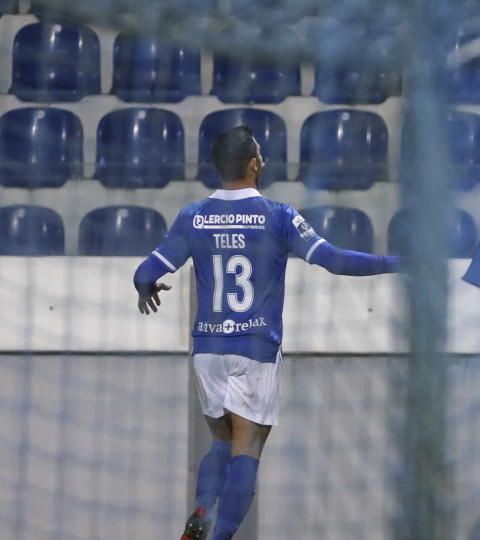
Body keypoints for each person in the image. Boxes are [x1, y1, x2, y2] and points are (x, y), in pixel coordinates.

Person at [132, 126, 401, 540]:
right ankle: (220, 536)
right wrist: (397, 262)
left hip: (207, 347)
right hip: (255, 348)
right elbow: (336, 260)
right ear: (254, 165)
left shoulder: (193, 215)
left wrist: (147, 288)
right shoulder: (278, 215)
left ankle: (202, 509)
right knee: (248, 447)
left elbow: (145, 272)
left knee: (220, 440)